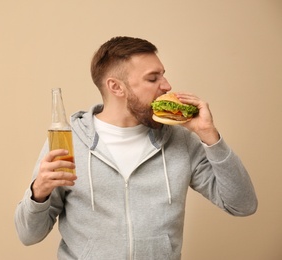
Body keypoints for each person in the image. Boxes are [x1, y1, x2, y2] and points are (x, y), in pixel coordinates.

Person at [14, 36, 257, 260]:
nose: (166, 86)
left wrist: (209, 136)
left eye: (163, 75)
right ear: (116, 87)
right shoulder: (70, 142)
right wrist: (38, 193)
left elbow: (242, 205)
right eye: (153, 78)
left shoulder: (181, 140)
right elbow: (28, 235)